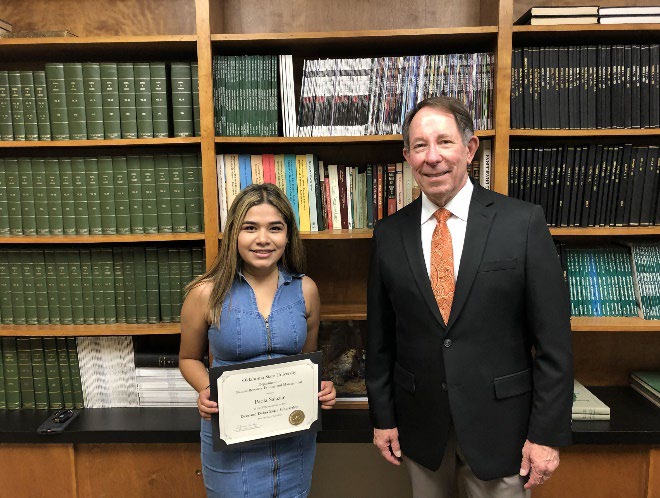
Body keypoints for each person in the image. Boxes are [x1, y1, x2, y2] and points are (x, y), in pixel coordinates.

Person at [366, 96, 573, 497]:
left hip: (504, 431)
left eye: (444, 142)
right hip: (421, 430)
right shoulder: (389, 235)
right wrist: (382, 417)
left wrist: (545, 435)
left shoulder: (522, 222)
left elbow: (554, 345)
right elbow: (380, 340)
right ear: (407, 156)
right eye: (420, 146)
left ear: (470, 148)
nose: (433, 157)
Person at [179, 183, 336, 498]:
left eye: (275, 228)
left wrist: (323, 387)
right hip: (230, 440)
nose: (263, 239)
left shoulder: (306, 290)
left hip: (294, 442)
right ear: (235, 232)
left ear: (288, 235)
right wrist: (205, 390)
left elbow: (307, 361)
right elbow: (188, 359)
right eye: (251, 228)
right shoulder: (204, 294)